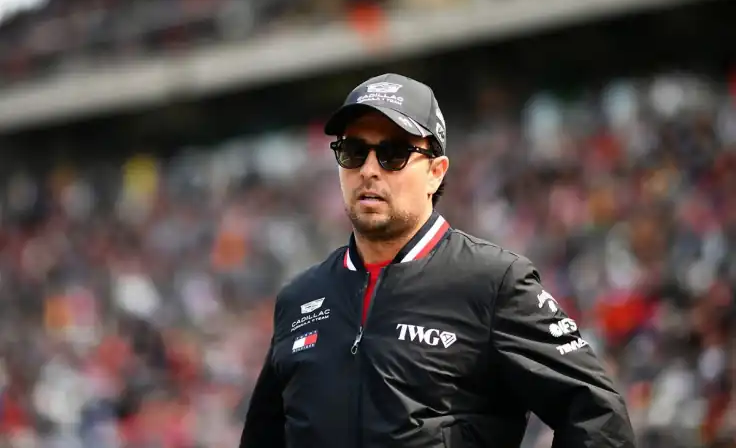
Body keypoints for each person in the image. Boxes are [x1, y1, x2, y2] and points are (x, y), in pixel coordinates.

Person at [239, 73, 636, 447]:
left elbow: (598, 414)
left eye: (393, 153)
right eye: (354, 152)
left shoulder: (493, 282)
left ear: (436, 172)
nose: (369, 170)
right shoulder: (299, 299)